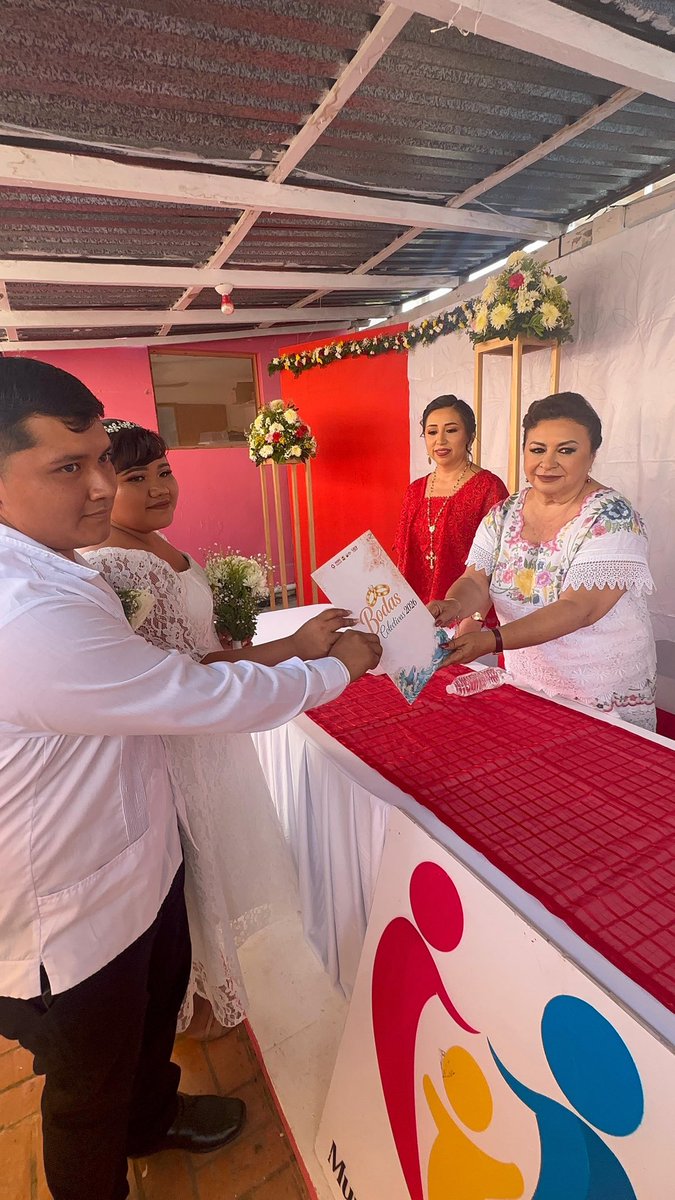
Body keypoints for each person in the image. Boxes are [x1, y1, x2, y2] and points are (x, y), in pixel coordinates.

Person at [0, 358, 381, 1200]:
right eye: (68, 467)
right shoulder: (24, 611)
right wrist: (335, 668)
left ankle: (154, 1117)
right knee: (87, 1090)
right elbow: (194, 691)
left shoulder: (58, 565)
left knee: (146, 1029)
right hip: (69, 910)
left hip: (137, 859)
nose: (102, 488)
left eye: (105, 460)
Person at [82, 419, 327, 1040]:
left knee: (213, 856)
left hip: (209, 734)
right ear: (103, 485)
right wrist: (295, 648)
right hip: (178, 743)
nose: (158, 488)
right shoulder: (118, 565)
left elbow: (200, 643)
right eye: (135, 478)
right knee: (193, 864)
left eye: (164, 471)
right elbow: (188, 673)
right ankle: (192, 998)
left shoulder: (155, 543)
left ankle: (206, 982)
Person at [430, 392, 657, 731]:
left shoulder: (613, 517)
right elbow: (476, 580)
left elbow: (579, 608)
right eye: (537, 450)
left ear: (592, 455)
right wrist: (454, 605)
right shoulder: (504, 513)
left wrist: (492, 640)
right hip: (527, 681)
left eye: (566, 450)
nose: (548, 463)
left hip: (598, 692)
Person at [395, 395, 508, 612]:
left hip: (469, 612)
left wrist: (474, 619)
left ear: (470, 436)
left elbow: (500, 562)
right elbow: (404, 558)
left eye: (451, 430)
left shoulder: (489, 487)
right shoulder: (414, 491)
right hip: (417, 611)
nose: (440, 440)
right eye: (432, 432)